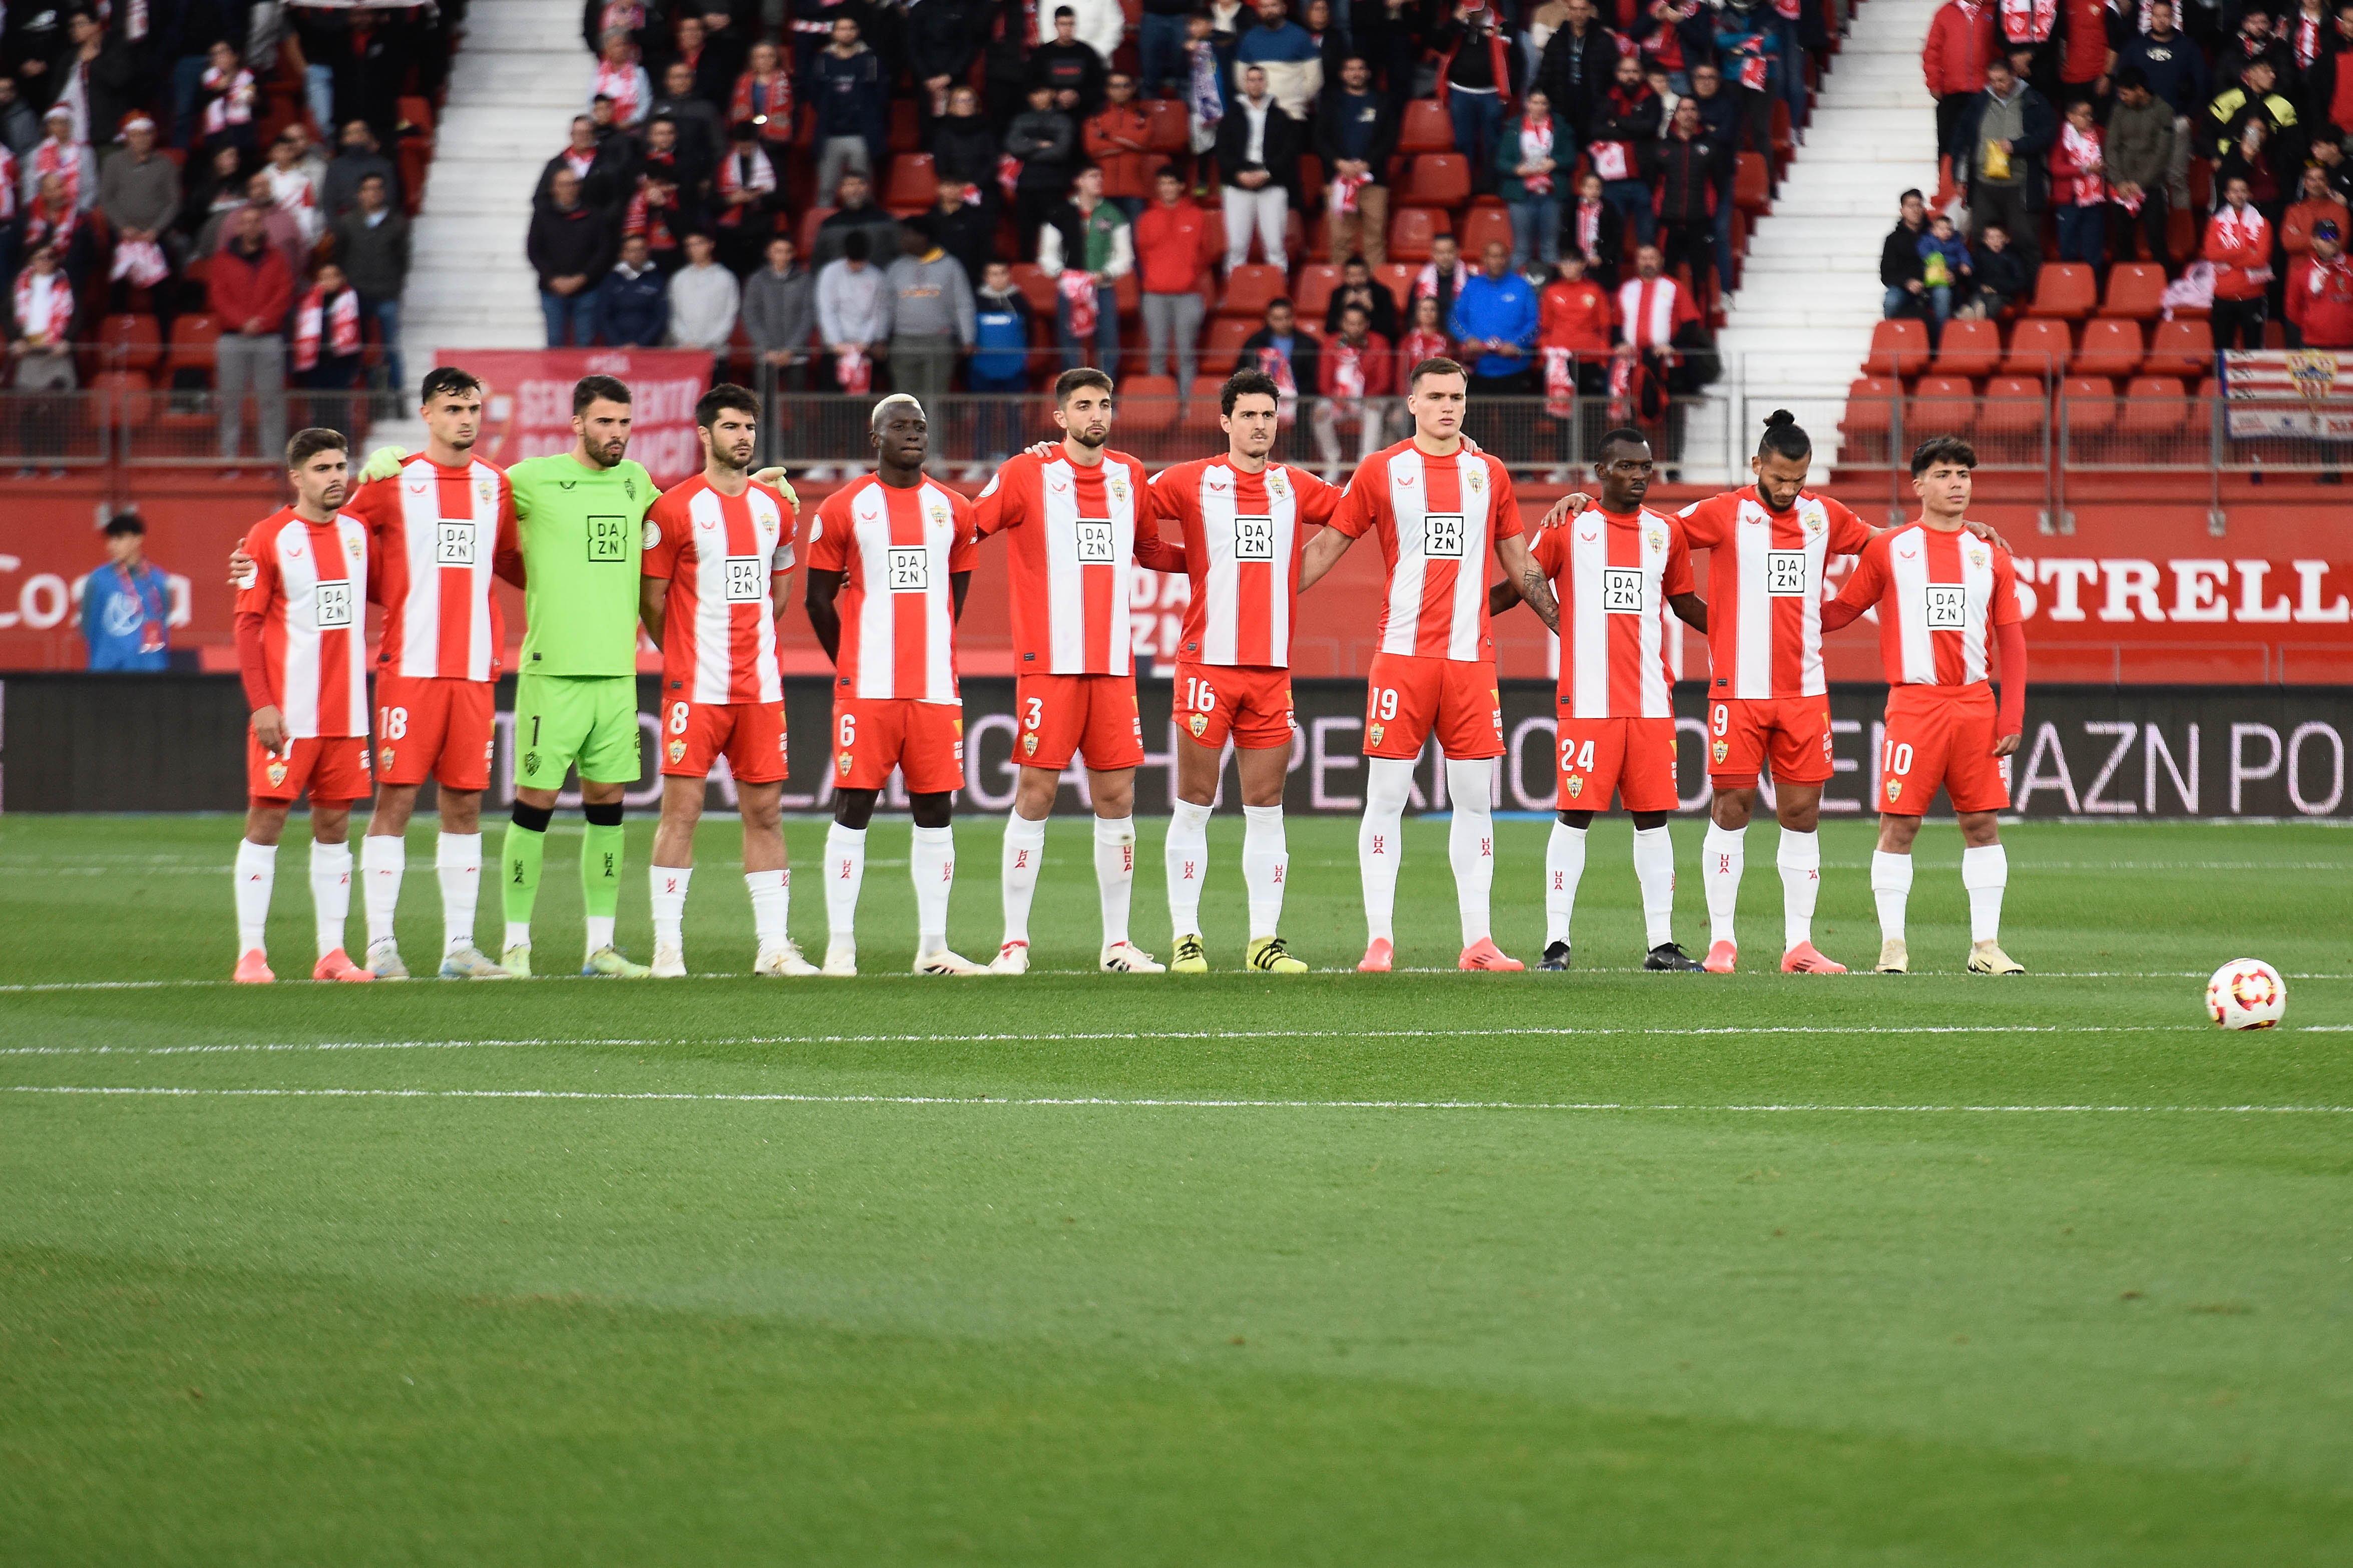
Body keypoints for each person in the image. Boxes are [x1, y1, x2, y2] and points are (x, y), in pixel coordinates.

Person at [1296, 355, 1557, 971]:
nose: (1447, 406)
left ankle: (1478, 941)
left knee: (1474, 800)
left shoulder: (1488, 473)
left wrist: (1565, 629)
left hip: (1469, 663)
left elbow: (1519, 563)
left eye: (1457, 398)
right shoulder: (1382, 470)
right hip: (1402, 659)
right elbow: (1329, 544)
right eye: (1435, 396)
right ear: (1411, 403)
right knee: (1385, 796)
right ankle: (1379, 940)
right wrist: (1267, 601)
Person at [972, 368, 1189, 974]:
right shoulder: (1027, 473)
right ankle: (1013, 943)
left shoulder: (1130, 474)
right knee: (1036, 793)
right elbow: (969, 524)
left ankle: (1116, 944)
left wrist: (1208, 558)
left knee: (1116, 796)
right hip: (1050, 662)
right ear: (1059, 417)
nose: (1097, 414)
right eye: (1084, 405)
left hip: (1113, 666)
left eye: (1104, 404)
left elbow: (1147, 549)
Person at [1144, 367, 1345, 972]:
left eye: (1268, 414)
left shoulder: (1296, 485)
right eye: (1248, 415)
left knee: (1266, 805)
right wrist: (1196, 564)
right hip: (1208, 663)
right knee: (1195, 802)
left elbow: (1359, 511)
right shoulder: (1190, 481)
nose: (1260, 425)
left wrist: (1453, 446)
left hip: (1270, 671)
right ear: (1225, 421)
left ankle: (1264, 940)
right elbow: (1124, 505)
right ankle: (1186, 936)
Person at [1490, 429, 1705, 970]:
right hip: (1587, 702)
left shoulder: (1665, 533)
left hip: (1652, 703)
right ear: (1600, 471)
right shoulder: (1571, 527)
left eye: (1646, 468)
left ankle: (1660, 943)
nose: (1638, 476)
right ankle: (1555, 943)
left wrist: (1744, 628)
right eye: (1626, 467)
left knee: (1653, 819)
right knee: (1575, 814)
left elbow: (1684, 603)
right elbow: (1522, 582)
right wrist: (1462, 609)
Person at [1820, 436, 2028, 977]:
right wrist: (1783, 615)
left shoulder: (1989, 554)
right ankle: (1892, 947)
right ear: (1917, 484)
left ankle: (1985, 946)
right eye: (1942, 473)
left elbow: (2012, 640)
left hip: (1975, 704)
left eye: (1963, 473)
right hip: (1914, 706)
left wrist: (2011, 716)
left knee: (1982, 822)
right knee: (1899, 824)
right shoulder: (1890, 548)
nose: (1956, 483)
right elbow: (1842, 610)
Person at [803, 395, 990, 975]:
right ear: (874, 436)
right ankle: (840, 947)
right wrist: (851, 664)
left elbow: (953, 598)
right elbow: (816, 599)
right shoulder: (843, 507)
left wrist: (928, 648)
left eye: (920, 427)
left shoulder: (954, 509)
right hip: (868, 688)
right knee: (853, 805)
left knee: (936, 810)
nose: (912, 435)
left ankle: (933, 947)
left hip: (934, 688)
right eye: (900, 427)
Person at [638, 385, 817, 978]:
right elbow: (653, 601)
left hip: (760, 688)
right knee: (681, 813)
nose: (742, 437)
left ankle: (773, 947)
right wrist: (685, 655)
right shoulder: (674, 509)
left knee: (765, 813)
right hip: (697, 687)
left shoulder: (777, 508)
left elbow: (781, 593)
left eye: (748, 428)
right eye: (731, 427)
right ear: (704, 434)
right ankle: (668, 949)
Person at [497, 376, 666, 979]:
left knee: (608, 806)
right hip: (553, 673)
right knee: (534, 805)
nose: (615, 434)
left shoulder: (637, 482)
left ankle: (601, 947)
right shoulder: (530, 480)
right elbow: (464, 488)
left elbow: (689, 514)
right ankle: (516, 944)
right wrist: (390, 465)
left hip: (617, 674)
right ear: (576, 424)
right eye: (603, 422)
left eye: (623, 423)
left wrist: (756, 490)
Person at [227, 429, 377, 984]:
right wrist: (262, 705)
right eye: (322, 468)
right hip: (289, 714)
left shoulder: (359, 534)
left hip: (346, 715)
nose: (336, 477)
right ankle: (251, 953)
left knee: (335, 826)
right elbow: (247, 625)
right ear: (296, 477)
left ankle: (332, 954)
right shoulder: (267, 538)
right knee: (266, 821)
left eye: (342, 466)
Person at [211, 205, 293, 473]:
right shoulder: (222, 260)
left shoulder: (277, 258)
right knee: (229, 402)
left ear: (263, 226)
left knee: (271, 402)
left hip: (268, 338)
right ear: (238, 227)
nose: (251, 227)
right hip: (232, 339)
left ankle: (272, 463)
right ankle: (229, 462)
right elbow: (218, 297)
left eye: (256, 221)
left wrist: (261, 322)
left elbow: (283, 295)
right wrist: (242, 322)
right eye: (246, 222)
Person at [1958, 59, 2055, 263]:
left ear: (2014, 76)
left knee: (2025, 240)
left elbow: (2048, 134)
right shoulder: (1979, 102)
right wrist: (1959, 176)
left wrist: (2017, 146)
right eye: (1992, 80)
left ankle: (2032, 293)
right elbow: (1963, 138)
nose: (1996, 85)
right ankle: (1985, 291)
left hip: (2020, 184)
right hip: (1984, 185)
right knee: (1980, 240)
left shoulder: (2034, 101)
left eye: (2001, 80)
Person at [1040, 164, 1131, 371]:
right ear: (1078, 181)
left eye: (1100, 176)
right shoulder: (1060, 213)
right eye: (1092, 176)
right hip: (1071, 289)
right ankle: (1073, 398)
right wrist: (1062, 273)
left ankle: (1106, 399)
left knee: (1108, 345)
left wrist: (1106, 273)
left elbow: (1125, 255)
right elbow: (1048, 254)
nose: (1099, 180)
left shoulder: (1113, 214)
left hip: (1103, 288)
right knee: (1070, 345)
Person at [884, 217, 977, 417]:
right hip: (903, 342)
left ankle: (933, 450)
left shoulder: (951, 266)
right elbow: (885, 307)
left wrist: (968, 338)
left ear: (922, 237)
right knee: (904, 404)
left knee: (935, 403)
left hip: (939, 342)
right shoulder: (895, 268)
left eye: (907, 235)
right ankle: (907, 450)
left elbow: (963, 303)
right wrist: (880, 338)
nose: (902, 240)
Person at [1136, 167, 1218, 391]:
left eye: (1172, 183)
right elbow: (1142, 254)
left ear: (1182, 186)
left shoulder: (1197, 216)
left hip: (1188, 294)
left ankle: (1187, 408)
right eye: (1163, 183)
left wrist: (1188, 275)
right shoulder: (1147, 219)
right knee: (1157, 351)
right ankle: (1157, 406)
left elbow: (1206, 252)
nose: (1167, 188)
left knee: (1186, 352)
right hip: (1154, 295)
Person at [329, 172, 410, 397]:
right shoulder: (347, 223)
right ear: (359, 194)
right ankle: (362, 396)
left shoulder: (396, 223)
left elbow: (403, 260)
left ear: (383, 193)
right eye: (368, 189)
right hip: (356, 296)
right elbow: (339, 257)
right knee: (355, 349)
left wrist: (394, 286)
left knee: (390, 348)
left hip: (386, 295)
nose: (373, 193)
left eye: (377, 188)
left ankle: (397, 397)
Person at [1644, 96, 1730, 302]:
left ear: (1699, 114)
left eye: (1692, 109)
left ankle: (1701, 328)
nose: (1688, 114)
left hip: (1699, 223)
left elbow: (1719, 183)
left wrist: (1708, 211)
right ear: (1675, 115)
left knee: (1701, 279)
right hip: (1668, 223)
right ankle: (1669, 329)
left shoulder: (1711, 147)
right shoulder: (1661, 148)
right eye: (1683, 110)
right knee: (1666, 277)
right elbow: (1652, 183)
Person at [2118, 2, 2203, 204]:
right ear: (2150, 17)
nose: (2161, 20)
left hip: (2176, 123)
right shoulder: (2135, 47)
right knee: (2145, 179)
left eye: (2166, 16)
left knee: (2178, 180)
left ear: (2173, 17)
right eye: (2157, 16)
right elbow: (2121, 83)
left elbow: (2201, 84)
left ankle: (2184, 235)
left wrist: (2190, 116)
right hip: (2142, 122)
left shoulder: (2187, 47)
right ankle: (2150, 233)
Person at [1216, 65, 1300, 270]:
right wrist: (1238, 174)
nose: (1255, 84)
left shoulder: (1281, 117)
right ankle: (1233, 295)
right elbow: (1222, 151)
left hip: (1272, 184)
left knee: (1274, 245)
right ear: (1245, 84)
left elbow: (1289, 152)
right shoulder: (1231, 117)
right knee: (1236, 246)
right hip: (1238, 185)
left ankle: (1279, 292)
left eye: (1259, 79)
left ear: (1266, 83)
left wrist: (1268, 173)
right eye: (1251, 80)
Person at [1316, 55, 1396, 266]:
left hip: (1374, 181)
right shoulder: (1330, 102)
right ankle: (1342, 295)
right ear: (1343, 74)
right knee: (1340, 241)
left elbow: (1390, 139)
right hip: (1338, 180)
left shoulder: (1382, 101)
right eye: (1350, 69)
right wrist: (1339, 163)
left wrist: (1367, 163)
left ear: (1368, 73)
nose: (1356, 73)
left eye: (1361, 68)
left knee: (1375, 240)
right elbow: (1319, 138)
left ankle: (1375, 294)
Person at [1437, 2, 1518, 195]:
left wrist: (1509, 93)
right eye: (1470, 11)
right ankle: (1464, 187)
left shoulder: (1503, 26)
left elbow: (1516, 61)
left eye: (1477, 10)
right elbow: (1437, 44)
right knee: (1463, 142)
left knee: (1493, 141)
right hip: (1460, 91)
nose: (1474, 15)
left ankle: (1492, 187)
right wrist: (1455, 22)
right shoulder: (1457, 25)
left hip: (1491, 94)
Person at [531, 168, 616, 347]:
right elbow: (535, 250)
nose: (569, 189)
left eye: (573, 184)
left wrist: (583, 278)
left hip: (587, 289)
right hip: (552, 289)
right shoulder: (542, 215)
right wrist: (553, 278)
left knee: (585, 342)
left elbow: (604, 251)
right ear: (554, 188)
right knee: (555, 341)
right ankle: (552, 376)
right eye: (563, 185)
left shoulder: (594, 215)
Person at [809, 15, 889, 201]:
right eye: (842, 29)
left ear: (858, 32)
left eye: (851, 28)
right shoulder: (822, 60)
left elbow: (880, 95)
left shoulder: (870, 60)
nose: (847, 33)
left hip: (861, 134)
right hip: (830, 135)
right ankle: (825, 229)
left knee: (862, 192)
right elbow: (814, 94)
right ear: (834, 33)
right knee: (826, 190)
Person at [816, 228, 890, 426]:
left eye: (861, 262)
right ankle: (828, 453)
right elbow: (827, 310)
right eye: (853, 261)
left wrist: (863, 343)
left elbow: (878, 313)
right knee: (831, 406)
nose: (857, 266)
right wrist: (837, 343)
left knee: (859, 406)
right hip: (835, 349)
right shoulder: (830, 273)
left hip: (863, 351)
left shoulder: (876, 277)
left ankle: (855, 453)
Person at [2105, 69, 2176, 271]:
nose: (2122, 97)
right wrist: (2119, 181)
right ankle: (2124, 289)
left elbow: (2162, 153)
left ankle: (2164, 288)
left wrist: (2139, 183)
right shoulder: (2119, 111)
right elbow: (2111, 147)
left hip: (2150, 187)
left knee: (2156, 239)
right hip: (2122, 187)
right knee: (2122, 240)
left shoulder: (2164, 110)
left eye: (2126, 93)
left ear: (2140, 90)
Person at [1314, 300, 1396, 473]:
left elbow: (1384, 381)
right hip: (1338, 398)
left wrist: (1362, 399)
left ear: (1367, 324)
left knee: (1374, 410)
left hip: (1369, 398)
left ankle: (1365, 464)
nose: (1355, 328)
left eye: (1359, 324)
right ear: (1343, 323)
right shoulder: (1330, 343)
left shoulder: (1380, 343)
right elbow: (1324, 382)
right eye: (1350, 323)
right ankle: (1333, 461)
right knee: (1319, 414)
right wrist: (1337, 398)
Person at [1589, 52, 1662, 245]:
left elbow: (1650, 127)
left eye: (1635, 72)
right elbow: (1595, 130)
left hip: (1643, 180)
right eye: (1625, 71)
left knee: (1647, 239)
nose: (1630, 76)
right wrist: (1633, 129)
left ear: (1642, 75)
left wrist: (1618, 122)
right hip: (1612, 182)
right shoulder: (1607, 99)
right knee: (1612, 240)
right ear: (1617, 74)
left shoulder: (1652, 99)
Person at [81, 513, 170, 672]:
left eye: (120, 538)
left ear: (138, 539)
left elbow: (164, 621)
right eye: (110, 539)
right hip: (108, 672)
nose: (112, 545)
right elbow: (88, 626)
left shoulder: (159, 581)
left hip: (151, 672)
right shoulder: (98, 581)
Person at [1452, 239, 1540, 397]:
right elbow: (1455, 319)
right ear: (1484, 259)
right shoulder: (1471, 286)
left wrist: (1518, 343)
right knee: (1477, 422)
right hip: (1477, 370)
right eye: (1492, 256)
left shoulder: (1522, 287)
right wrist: (1468, 339)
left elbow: (1534, 324)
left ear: (1508, 259)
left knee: (1516, 422)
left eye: (1501, 256)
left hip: (1514, 369)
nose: (1497, 261)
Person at [970, 259, 1035, 468]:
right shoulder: (976, 301)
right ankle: (979, 463)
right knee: (984, 416)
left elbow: (1030, 333)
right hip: (982, 369)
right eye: (993, 274)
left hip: (1014, 370)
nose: (998, 278)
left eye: (1002, 273)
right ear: (986, 277)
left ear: (1009, 276)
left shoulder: (1020, 301)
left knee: (1014, 416)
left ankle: (1015, 462)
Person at [1499, 88, 1566, 269]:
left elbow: (1571, 157)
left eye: (1543, 103)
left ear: (1548, 106)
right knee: (1521, 250)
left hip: (1551, 195)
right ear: (1527, 104)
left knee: (1550, 249)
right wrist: (1516, 170)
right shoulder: (1513, 127)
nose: (1539, 107)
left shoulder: (1559, 127)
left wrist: (1555, 163)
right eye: (1535, 102)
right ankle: (1515, 292)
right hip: (1522, 194)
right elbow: (1501, 161)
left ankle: (1552, 294)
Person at [2205, 174, 2274, 350]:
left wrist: (2227, 255)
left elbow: (2260, 259)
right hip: (2223, 297)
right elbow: (2212, 254)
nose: (2239, 195)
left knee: (2254, 350)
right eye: (2235, 191)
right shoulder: (2216, 222)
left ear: (2250, 194)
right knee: (2221, 350)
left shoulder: (2263, 223)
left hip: (2253, 297)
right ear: (2227, 195)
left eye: (2243, 191)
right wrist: (2245, 251)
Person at [1924, 0, 1999, 162]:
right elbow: (1932, 51)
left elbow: (1999, 50)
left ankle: (1978, 188)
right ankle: (1947, 187)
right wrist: (1934, 83)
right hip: (1951, 93)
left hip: (1984, 93)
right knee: (1948, 148)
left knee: (1981, 147)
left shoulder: (1994, 10)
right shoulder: (1945, 13)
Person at [667, 230, 741, 382]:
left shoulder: (725, 278)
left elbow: (729, 316)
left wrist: (707, 344)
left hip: (716, 354)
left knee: (715, 402)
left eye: (699, 244)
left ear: (711, 245)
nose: (694, 249)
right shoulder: (679, 279)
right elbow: (674, 315)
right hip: (685, 352)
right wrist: (687, 341)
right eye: (690, 245)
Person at [1007, 83, 1079, 240]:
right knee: (1026, 236)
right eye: (1035, 93)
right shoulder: (1021, 120)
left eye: (1043, 92)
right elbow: (1013, 147)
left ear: (1052, 94)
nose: (1039, 97)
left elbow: (1061, 152)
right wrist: (1039, 144)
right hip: (1026, 185)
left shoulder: (1063, 120)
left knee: (1054, 235)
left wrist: (1027, 150)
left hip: (1054, 185)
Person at [744, 234, 816, 390]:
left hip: (796, 355)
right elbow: (751, 316)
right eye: (778, 251)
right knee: (764, 407)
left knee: (798, 405)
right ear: (768, 253)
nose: (783, 256)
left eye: (787, 251)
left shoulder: (804, 280)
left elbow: (808, 316)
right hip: (766, 355)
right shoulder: (757, 280)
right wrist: (767, 347)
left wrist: (791, 349)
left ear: (793, 253)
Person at [1235, 0, 1325, 119]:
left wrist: (1297, 100)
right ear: (1258, 10)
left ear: (1284, 8)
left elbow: (1315, 80)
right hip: (1259, 115)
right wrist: (1257, 101)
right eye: (1264, 7)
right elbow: (1240, 80)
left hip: (1293, 114)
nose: (1269, 10)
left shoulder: (1301, 36)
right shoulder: (1249, 38)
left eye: (1274, 5)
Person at [1085, 71, 1155, 221]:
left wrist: (1107, 135)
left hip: (1134, 191)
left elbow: (1142, 141)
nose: (1121, 90)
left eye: (1126, 86)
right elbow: (1093, 148)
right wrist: (1128, 144)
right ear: (1107, 90)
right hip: (1103, 190)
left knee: (1134, 242)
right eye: (1115, 86)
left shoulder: (1143, 116)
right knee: (1104, 242)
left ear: (1133, 89)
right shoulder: (1096, 116)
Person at [2049, 97, 2108, 271]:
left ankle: (2095, 291)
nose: (2089, 119)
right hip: (2069, 200)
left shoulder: (2100, 134)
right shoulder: (2060, 136)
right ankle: (2070, 289)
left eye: (2091, 115)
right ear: (2071, 116)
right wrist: (2084, 169)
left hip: (2094, 200)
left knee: (2094, 249)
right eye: (2084, 115)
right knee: (2068, 248)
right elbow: (2056, 167)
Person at [291, 261, 364, 390]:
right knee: (317, 406)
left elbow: (361, 333)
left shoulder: (353, 302)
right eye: (324, 278)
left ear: (342, 279)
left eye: (333, 277)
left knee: (339, 406)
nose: (328, 281)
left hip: (343, 365)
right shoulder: (307, 303)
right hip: (316, 366)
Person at [1029, 6, 1111, 118]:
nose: (1067, 28)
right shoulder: (1042, 54)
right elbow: (1032, 84)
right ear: (1056, 26)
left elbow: (1099, 85)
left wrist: (1078, 96)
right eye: (1063, 24)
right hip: (1049, 112)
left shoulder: (1087, 52)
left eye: (1071, 24)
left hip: (1083, 111)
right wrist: (1055, 95)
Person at [1240, 295, 1319, 411]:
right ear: (1268, 319)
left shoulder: (1308, 344)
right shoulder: (1255, 343)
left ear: (1293, 317)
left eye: (1287, 318)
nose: (1283, 323)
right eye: (1278, 319)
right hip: (1261, 399)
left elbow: (1313, 379)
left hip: (1300, 402)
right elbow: (1242, 371)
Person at [811, 169, 902, 270]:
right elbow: (818, 261)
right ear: (841, 190)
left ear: (869, 189)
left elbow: (900, 254)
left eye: (860, 184)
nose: (855, 190)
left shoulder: (886, 221)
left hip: (879, 281)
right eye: (850, 185)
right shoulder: (829, 225)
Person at [593, 231, 670, 346]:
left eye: (641, 249)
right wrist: (619, 343)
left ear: (647, 252)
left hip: (648, 348)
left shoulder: (657, 280)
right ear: (623, 254)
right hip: (616, 347)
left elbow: (660, 317)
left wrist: (640, 343)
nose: (637, 254)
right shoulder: (611, 280)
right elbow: (602, 316)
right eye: (632, 250)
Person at [2288, 218, 2353, 345]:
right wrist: (2312, 325)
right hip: (2315, 343)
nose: (2331, 240)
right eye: (2325, 236)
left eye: (2335, 236)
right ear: (2314, 241)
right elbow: (2292, 308)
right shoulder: (2301, 271)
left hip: (2350, 342)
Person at [1562, 169, 1625, 291]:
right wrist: (1574, 258)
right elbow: (1566, 234)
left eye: (1597, 188)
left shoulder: (1609, 209)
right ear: (1582, 188)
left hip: (1601, 261)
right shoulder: (1572, 207)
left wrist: (1602, 257)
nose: (1594, 192)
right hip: (1577, 259)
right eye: (1590, 187)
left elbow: (1616, 237)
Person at [1916, 212, 1975, 328]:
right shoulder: (1927, 241)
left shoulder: (1956, 242)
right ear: (1934, 231)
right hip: (1934, 274)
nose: (1946, 232)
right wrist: (1934, 262)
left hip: (1952, 273)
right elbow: (1923, 252)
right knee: (1942, 292)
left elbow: (1964, 254)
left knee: (1958, 290)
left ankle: (1960, 310)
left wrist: (1965, 264)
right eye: (1942, 229)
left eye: (1949, 229)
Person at [588, 29, 653, 129]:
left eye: (624, 45)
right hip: (603, 128)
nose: (622, 49)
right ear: (607, 50)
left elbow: (646, 102)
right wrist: (600, 120)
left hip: (632, 128)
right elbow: (591, 101)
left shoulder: (639, 72)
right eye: (617, 46)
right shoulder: (598, 73)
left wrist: (632, 121)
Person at [1325, 254, 1400, 338]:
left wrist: (1371, 309)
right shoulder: (1338, 294)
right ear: (1345, 277)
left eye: (1361, 275)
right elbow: (1329, 328)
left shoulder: (1383, 293)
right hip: (1346, 340)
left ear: (1368, 275)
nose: (1357, 280)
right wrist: (1344, 307)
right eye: (1352, 276)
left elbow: (1390, 330)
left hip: (1374, 342)